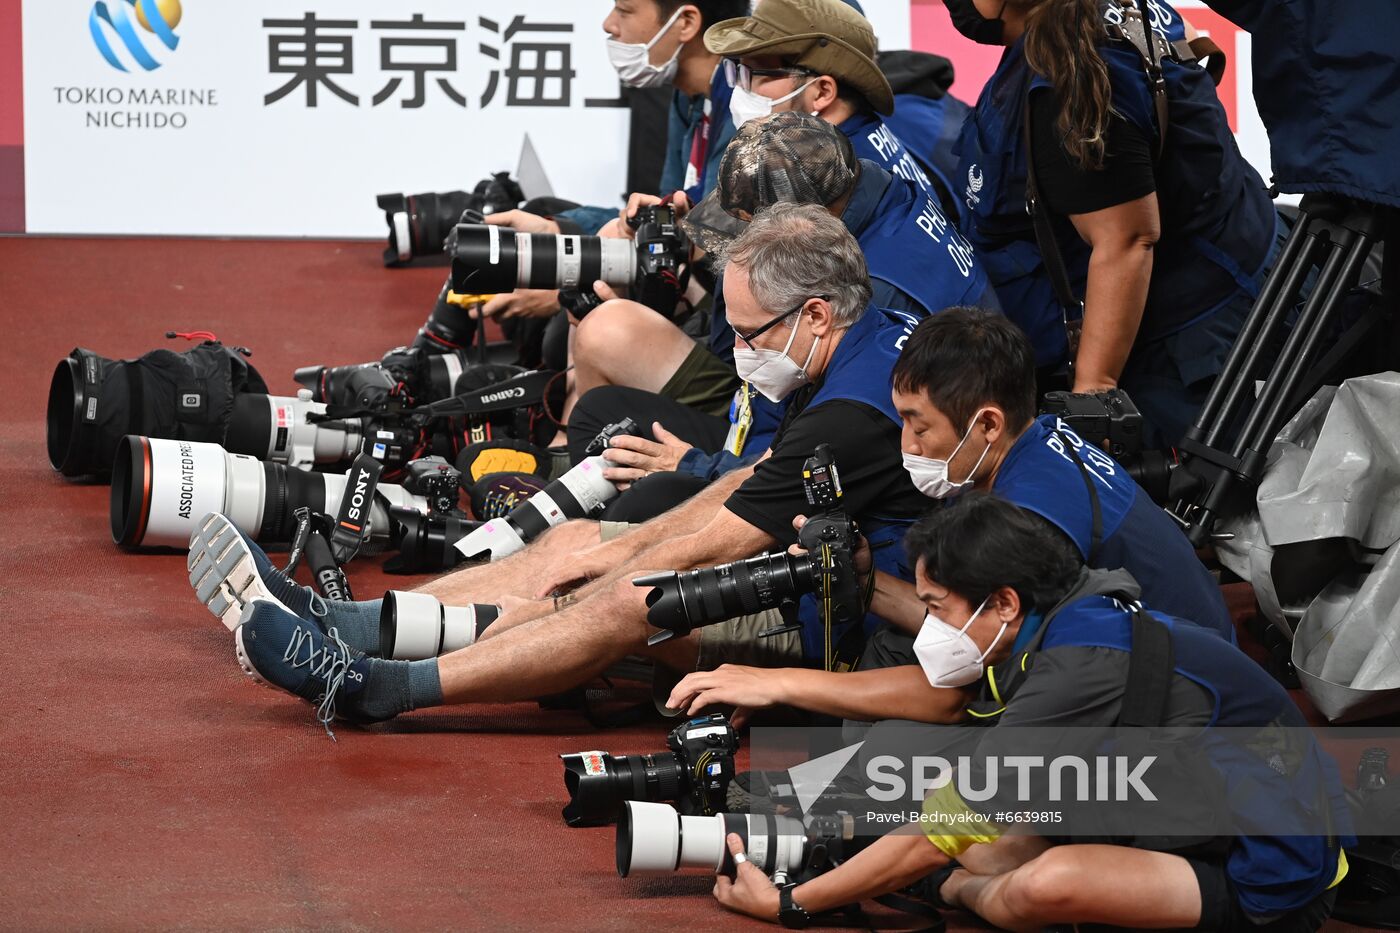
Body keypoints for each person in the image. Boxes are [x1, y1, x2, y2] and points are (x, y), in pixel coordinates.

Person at [194, 205, 928, 729]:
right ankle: (339, 621)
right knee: (574, 543)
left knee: (624, 597)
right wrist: (609, 550)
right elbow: (754, 481)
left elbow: (719, 543)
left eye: (748, 333)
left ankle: (374, 687)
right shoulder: (855, 342)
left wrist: (618, 567)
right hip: (804, 568)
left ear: (815, 314)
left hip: (832, 628)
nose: (737, 351)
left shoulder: (851, 412)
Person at [710, 493, 1352, 932]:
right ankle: (906, 867)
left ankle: (944, 890)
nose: (930, 624)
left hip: (1272, 877)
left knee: (1045, 882)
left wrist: (792, 904)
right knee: (957, 804)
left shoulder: (1080, 663)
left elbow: (943, 828)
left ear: (1004, 603)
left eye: (936, 607)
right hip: (1173, 802)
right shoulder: (1070, 607)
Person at [667, 308, 1234, 726]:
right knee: (885, 665)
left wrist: (777, 684)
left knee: (898, 749)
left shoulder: (1026, 513)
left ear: (986, 423)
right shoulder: (1028, 447)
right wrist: (864, 578)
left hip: (1171, 710)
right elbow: (968, 627)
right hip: (1146, 665)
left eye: (919, 425)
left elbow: (951, 691)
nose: (906, 443)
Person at [563, 111, 994, 499]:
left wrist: (696, 467)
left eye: (750, 228)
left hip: (850, 463)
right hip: (793, 410)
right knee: (601, 410)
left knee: (635, 472)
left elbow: (811, 447)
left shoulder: (873, 293)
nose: (739, 237)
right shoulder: (866, 186)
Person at [944, 0, 1282, 446]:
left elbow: (1126, 240)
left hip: (1191, 359)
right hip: (1236, 284)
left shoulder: (1066, 73)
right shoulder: (1095, 17)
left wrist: (1094, 395)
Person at [458, 0, 747, 323]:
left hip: (715, 289)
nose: (608, 24)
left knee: (570, 315)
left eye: (624, 10)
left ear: (686, 23)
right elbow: (661, 216)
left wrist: (559, 294)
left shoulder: (742, 111)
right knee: (541, 216)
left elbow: (705, 245)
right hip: (683, 257)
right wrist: (556, 228)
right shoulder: (687, 97)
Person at [708, 0, 964, 217]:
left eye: (756, 74)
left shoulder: (823, 177)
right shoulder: (861, 135)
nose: (740, 89)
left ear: (822, 92)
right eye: (737, 71)